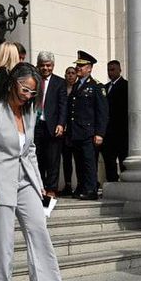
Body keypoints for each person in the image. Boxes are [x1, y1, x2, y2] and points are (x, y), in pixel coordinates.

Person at [0, 62, 66, 281]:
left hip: (26, 182)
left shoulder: (29, 113)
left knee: (39, 231)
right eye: (25, 89)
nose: (28, 96)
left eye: (33, 92)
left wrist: (39, 185)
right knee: (3, 243)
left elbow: (30, 150)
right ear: (13, 83)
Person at [66, 50, 108, 200]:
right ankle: (82, 187)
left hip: (89, 132)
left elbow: (102, 112)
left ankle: (91, 189)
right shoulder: (76, 85)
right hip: (76, 131)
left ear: (89, 68)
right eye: (77, 65)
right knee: (79, 161)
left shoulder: (96, 86)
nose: (78, 68)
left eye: (81, 66)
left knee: (89, 162)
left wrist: (100, 133)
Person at [35, 51, 67, 198]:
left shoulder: (59, 82)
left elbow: (63, 105)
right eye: (42, 65)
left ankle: (52, 188)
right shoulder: (33, 80)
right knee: (37, 157)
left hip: (53, 126)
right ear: (38, 65)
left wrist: (61, 123)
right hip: (36, 125)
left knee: (53, 159)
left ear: (53, 66)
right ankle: (39, 186)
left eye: (48, 65)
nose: (45, 68)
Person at [101, 59, 128, 182]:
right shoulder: (104, 87)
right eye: (108, 70)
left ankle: (126, 184)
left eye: (113, 70)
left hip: (121, 131)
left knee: (123, 160)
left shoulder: (126, 86)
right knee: (109, 160)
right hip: (107, 132)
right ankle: (112, 183)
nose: (110, 72)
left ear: (120, 70)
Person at [60, 66, 78, 196]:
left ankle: (80, 184)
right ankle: (68, 184)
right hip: (64, 131)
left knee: (78, 159)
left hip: (75, 130)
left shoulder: (79, 88)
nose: (70, 75)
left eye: (73, 73)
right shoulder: (61, 88)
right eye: (68, 73)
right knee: (66, 159)